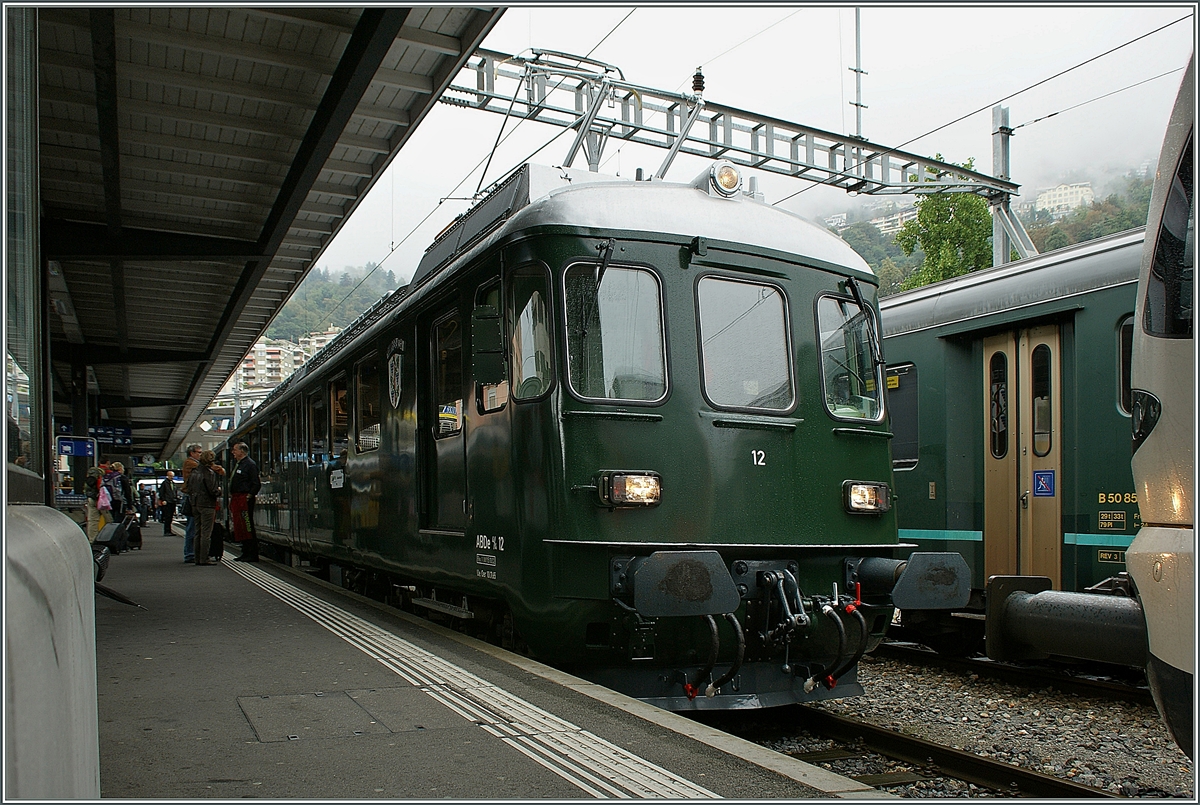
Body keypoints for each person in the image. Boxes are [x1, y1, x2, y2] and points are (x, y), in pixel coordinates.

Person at [181, 444, 224, 562]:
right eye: (198, 452)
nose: (200, 455)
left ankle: (196, 556)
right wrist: (219, 491)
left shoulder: (194, 472)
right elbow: (212, 490)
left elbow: (189, 486)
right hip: (206, 504)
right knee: (205, 532)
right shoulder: (204, 470)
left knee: (197, 531)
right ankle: (202, 557)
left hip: (195, 502)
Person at [228, 441, 262, 562]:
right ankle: (245, 551)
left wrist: (249, 496)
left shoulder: (249, 465)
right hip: (238, 499)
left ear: (242, 451)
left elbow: (256, 483)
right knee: (240, 526)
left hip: (244, 499)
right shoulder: (240, 464)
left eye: (235, 450)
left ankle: (251, 553)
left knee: (247, 525)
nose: (233, 452)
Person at [84, 464, 104, 542]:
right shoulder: (100, 477)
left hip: (91, 499)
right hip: (101, 500)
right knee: (109, 520)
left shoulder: (88, 479)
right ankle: (107, 537)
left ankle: (92, 539)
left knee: (92, 521)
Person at [157, 471, 178, 535]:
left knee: (171, 517)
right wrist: (163, 499)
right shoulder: (164, 483)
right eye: (171, 476)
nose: (172, 477)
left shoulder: (173, 483)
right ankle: (166, 531)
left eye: (173, 476)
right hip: (167, 501)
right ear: (168, 476)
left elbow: (175, 491)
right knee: (167, 517)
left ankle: (169, 530)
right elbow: (161, 492)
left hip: (172, 501)